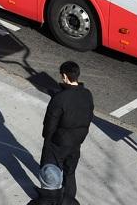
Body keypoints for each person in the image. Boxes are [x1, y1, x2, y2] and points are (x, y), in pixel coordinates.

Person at [41, 61, 94, 205]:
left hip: (58, 143)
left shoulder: (60, 98)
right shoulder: (87, 94)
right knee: (70, 173)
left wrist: (47, 141)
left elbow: (50, 124)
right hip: (76, 142)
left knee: (51, 172)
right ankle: (69, 201)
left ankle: (50, 200)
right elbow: (89, 116)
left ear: (64, 76)